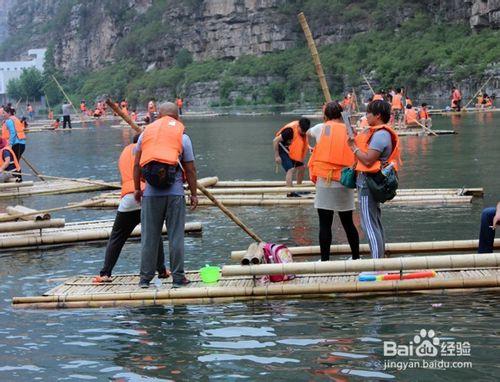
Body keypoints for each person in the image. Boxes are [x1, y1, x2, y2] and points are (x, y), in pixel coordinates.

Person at [133, 101, 198, 288]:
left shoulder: (145, 134)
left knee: (149, 238)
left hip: (151, 195)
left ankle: (145, 279)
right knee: (176, 237)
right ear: (177, 117)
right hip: (175, 194)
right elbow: (191, 169)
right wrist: (194, 194)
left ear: (159, 116)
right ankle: (178, 278)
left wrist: (137, 189)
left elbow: (137, 165)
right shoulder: (183, 137)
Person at [94, 134, 170, 282]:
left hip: (128, 199)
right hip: (145, 195)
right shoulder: (145, 151)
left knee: (117, 237)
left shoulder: (123, 153)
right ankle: (161, 270)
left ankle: (105, 273)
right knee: (154, 234)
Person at [347, 100, 402, 259]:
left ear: (377, 115)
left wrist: (353, 147)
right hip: (372, 182)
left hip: (368, 183)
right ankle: (379, 260)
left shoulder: (380, 135)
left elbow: (368, 160)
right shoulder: (380, 133)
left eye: (368, 113)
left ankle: (377, 265)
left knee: (368, 225)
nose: (366, 117)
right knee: (374, 222)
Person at [307, 101, 360, 261]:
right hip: (345, 180)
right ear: (341, 114)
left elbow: (307, 132)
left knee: (325, 223)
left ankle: (324, 260)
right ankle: (356, 258)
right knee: (348, 222)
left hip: (325, 181)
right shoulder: (350, 130)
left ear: (326, 115)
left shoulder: (320, 128)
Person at [273, 118, 311, 196]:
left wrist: (309, 147)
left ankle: (299, 188)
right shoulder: (289, 131)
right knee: (290, 169)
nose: (303, 132)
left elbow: (302, 143)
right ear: (299, 126)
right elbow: (275, 141)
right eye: (302, 130)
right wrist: (277, 156)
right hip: (282, 149)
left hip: (290, 149)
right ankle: (290, 192)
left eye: (305, 131)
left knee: (302, 167)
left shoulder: (304, 132)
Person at [2, 107, 26, 180]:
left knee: (15, 163)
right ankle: (16, 178)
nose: (3, 115)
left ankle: (19, 179)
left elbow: (13, 133)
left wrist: (9, 144)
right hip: (20, 144)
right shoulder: (15, 118)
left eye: (4, 113)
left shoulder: (9, 121)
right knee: (15, 162)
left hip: (17, 144)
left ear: (9, 113)